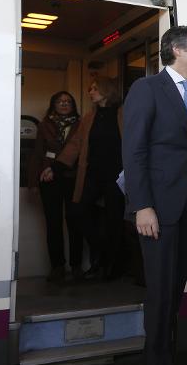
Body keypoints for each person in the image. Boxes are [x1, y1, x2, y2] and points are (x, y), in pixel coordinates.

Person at [123, 26, 187, 365]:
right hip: (156, 209)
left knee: (173, 295)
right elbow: (135, 150)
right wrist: (142, 205)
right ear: (177, 50)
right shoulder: (147, 89)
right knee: (160, 295)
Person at [43, 77, 126, 281]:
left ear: (106, 91)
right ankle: (103, 252)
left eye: (95, 89)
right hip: (92, 174)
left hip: (118, 177)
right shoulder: (90, 116)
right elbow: (76, 144)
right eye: (90, 89)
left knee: (115, 220)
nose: (90, 92)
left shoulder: (124, 114)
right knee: (76, 213)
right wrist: (55, 167)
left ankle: (112, 268)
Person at [29, 91, 83, 282]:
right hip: (49, 179)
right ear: (53, 105)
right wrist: (33, 182)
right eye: (60, 101)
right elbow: (38, 154)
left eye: (68, 101)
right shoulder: (44, 125)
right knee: (53, 223)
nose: (64, 104)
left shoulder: (82, 124)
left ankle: (77, 267)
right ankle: (57, 267)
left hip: (73, 178)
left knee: (75, 222)